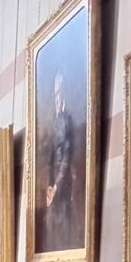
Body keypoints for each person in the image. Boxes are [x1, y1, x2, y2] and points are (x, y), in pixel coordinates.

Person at [44, 71, 74, 252]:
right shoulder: (54, 121)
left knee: (63, 233)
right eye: (55, 93)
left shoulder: (67, 120)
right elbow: (49, 158)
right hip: (53, 188)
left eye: (60, 93)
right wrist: (49, 186)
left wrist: (56, 186)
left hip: (62, 187)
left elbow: (66, 159)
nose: (57, 98)